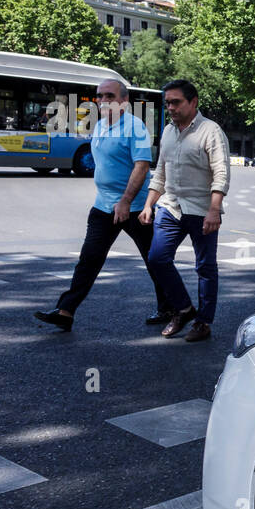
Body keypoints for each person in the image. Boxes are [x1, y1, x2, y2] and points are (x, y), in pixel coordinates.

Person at [35, 78, 171, 333]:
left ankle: (171, 306)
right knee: (89, 259)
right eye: (99, 96)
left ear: (123, 101)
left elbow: (142, 165)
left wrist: (126, 201)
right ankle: (66, 311)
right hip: (103, 205)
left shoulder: (135, 127)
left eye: (109, 95)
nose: (103, 100)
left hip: (134, 206)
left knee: (154, 259)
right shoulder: (99, 126)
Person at [141, 79, 231, 342]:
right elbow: (160, 172)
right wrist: (148, 204)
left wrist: (214, 209)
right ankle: (184, 308)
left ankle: (203, 322)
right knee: (157, 258)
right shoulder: (168, 131)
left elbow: (221, 173)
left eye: (176, 102)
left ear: (193, 102)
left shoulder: (211, 131)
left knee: (205, 266)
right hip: (170, 207)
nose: (170, 107)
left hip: (202, 209)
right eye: (167, 102)